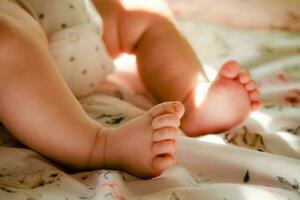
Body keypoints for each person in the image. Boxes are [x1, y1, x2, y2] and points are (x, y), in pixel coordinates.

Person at [0, 0, 260, 178]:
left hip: (72, 15)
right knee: (7, 38)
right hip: (13, 31)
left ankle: (192, 98)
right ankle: (96, 146)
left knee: (146, 18)